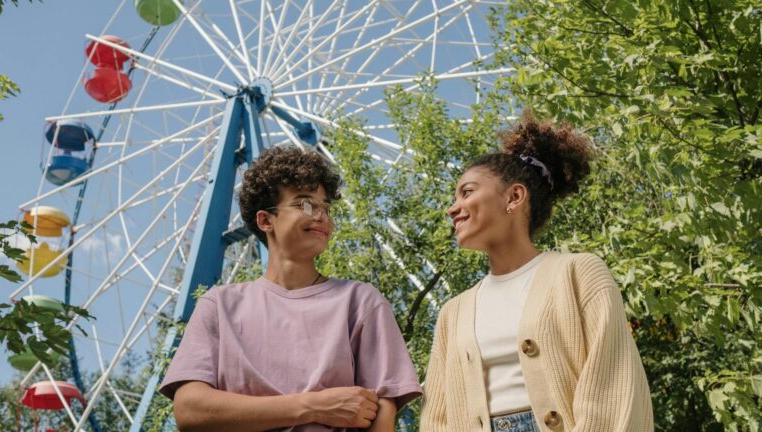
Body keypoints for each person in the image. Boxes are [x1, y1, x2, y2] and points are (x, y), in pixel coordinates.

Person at [159, 145, 422, 432]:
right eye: (306, 204)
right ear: (265, 220)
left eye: (326, 208)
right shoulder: (220, 305)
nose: (322, 216)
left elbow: (382, 410)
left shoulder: (361, 302)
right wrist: (313, 406)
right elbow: (190, 409)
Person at [420, 113, 653, 432]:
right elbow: (437, 418)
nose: (452, 208)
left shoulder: (579, 273)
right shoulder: (452, 313)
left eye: (467, 192)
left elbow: (612, 385)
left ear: (514, 197)